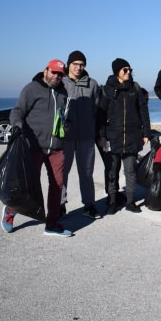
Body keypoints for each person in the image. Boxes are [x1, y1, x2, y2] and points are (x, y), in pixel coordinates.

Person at [4, 59, 72, 237]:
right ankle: (11, 211)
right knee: (27, 185)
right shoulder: (32, 89)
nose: (56, 76)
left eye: (60, 74)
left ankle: (52, 224)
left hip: (57, 147)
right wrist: (17, 126)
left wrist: (67, 127)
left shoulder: (63, 92)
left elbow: (64, 116)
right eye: (54, 72)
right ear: (45, 71)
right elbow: (17, 111)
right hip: (33, 147)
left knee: (57, 185)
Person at [99, 58, 151, 214]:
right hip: (113, 137)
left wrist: (146, 133)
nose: (128, 72)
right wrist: (101, 135)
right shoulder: (107, 89)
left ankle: (130, 201)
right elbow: (101, 115)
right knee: (112, 170)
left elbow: (143, 111)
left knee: (130, 171)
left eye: (130, 70)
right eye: (125, 70)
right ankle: (112, 201)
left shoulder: (135, 88)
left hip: (132, 136)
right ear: (117, 72)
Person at [61, 50, 101, 220]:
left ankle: (89, 205)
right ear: (68, 65)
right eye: (75, 64)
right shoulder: (60, 82)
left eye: (81, 64)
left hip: (86, 136)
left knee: (86, 172)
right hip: (65, 137)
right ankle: (60, 205)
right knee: (62, 173)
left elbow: (98, 109)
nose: (78, 67)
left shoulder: (92, 84)